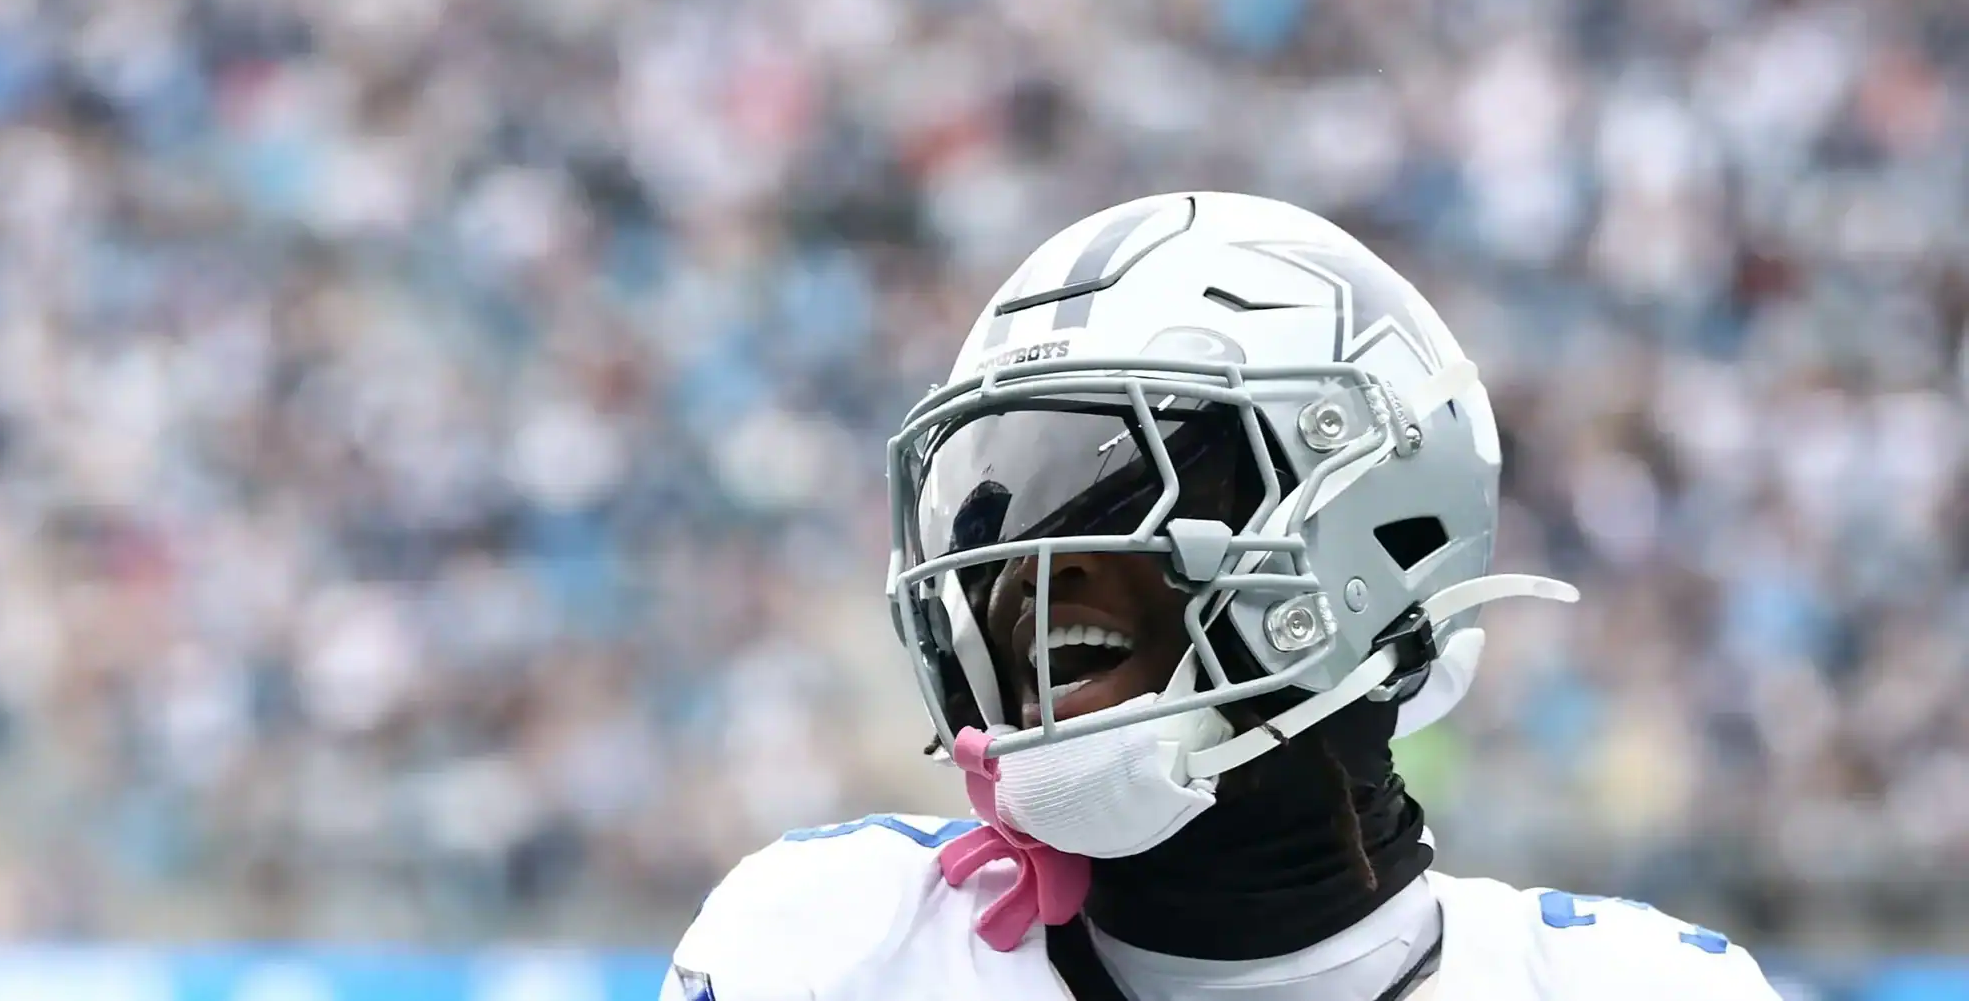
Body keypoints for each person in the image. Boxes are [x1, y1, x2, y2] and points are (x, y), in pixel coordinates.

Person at [660, 193, 1781, 1000]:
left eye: (1122, 484)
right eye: (997, 506)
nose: (1026, 564)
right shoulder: (826, 949)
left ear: (1374, 531)